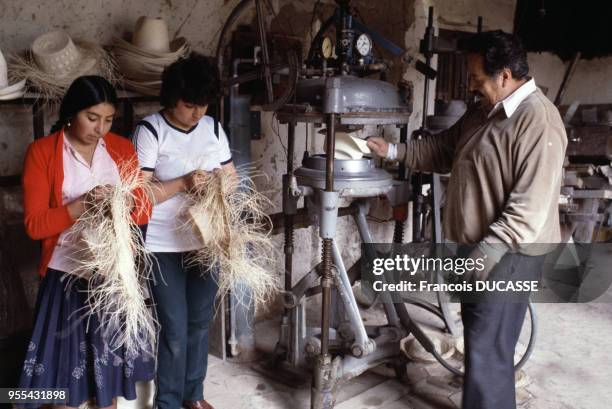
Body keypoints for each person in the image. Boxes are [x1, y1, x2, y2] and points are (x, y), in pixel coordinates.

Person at [367, 30, 567, 409]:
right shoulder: (484, 110)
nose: (471, 86)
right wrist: (393, 150)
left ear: (504, 75)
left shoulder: (538, 123)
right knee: (481, 346)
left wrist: (480, 261)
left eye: (477, 77)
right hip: (480, 252)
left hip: (508, 258)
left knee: (488, 351)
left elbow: (527, 212)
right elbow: (445, 149)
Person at [19, 76, 154, 409]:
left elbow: (142, 210)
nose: (100, 128)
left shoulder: (121, 149)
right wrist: (82, 204)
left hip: (111, 278)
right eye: (92, 118)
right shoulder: (43, 153)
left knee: (105, 380)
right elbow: (35, 226)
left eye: (108, 120)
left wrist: (122, 203)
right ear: (71, 112)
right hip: (66, 277)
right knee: (63, 383)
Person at [133, 52, 236, 409]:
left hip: (205, 239)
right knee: (174, 329)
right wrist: (183, 183)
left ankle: (194, 395)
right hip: (162, 244)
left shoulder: (213, 128)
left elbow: (231, 177)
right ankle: (168, 403)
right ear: (172, 97)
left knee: (199, 322)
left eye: (203, 105)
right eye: (190, 104)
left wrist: (216, 186)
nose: (197, 113)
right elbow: (138, 195)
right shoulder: (150, 130)